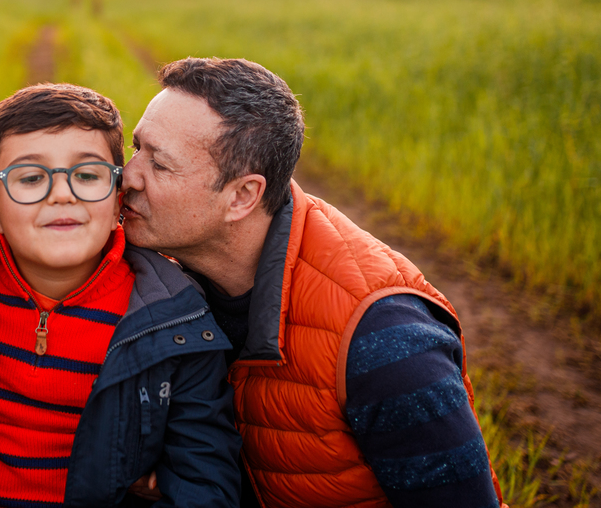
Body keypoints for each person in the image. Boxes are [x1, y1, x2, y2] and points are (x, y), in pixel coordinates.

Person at [121, 58, 509, 508]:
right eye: (136, 148)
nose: (128, 176)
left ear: (242, 196)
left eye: (160, 164)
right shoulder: (154, 277)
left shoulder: (383, 342)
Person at [0, 83, 242, 508]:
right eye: (30, 178)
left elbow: (205, 483)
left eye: (88, 175)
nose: (62, 194)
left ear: (118, 203)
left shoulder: (174, 319)